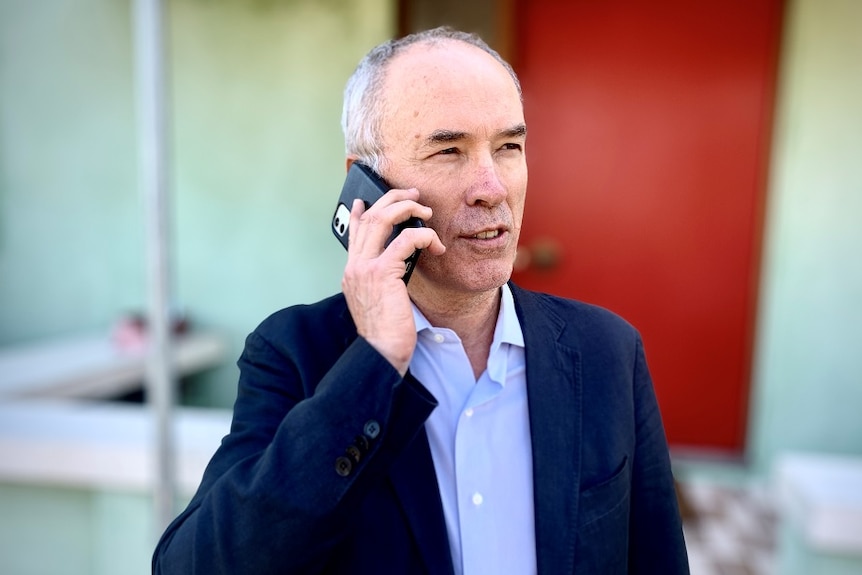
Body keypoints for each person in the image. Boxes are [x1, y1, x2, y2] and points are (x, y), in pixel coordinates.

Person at [152, 26, 689, 575]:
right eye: (449, 151)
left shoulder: (607, 352)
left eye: (508, 147)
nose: (492, 188)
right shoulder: (296, 354)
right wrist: (374, 366)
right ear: (365, 183)